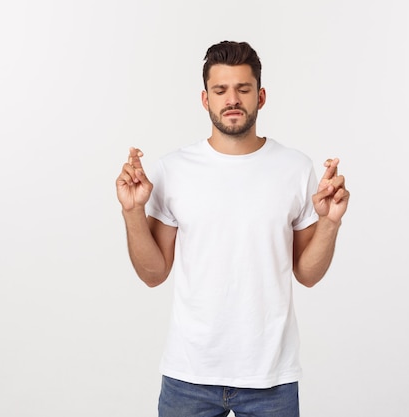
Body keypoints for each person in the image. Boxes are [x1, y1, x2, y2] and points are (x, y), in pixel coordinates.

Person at [116, 40, 349, 417]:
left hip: (271, 376)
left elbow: (307, 274)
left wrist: (330, 223)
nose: (232, 99)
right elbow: (153, 273)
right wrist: (132, 212)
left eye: (242, 89)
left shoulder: (295, 168)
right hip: (189, 372)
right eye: (221, 90)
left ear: (261, 95)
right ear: (205, 99)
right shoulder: (174, 169)